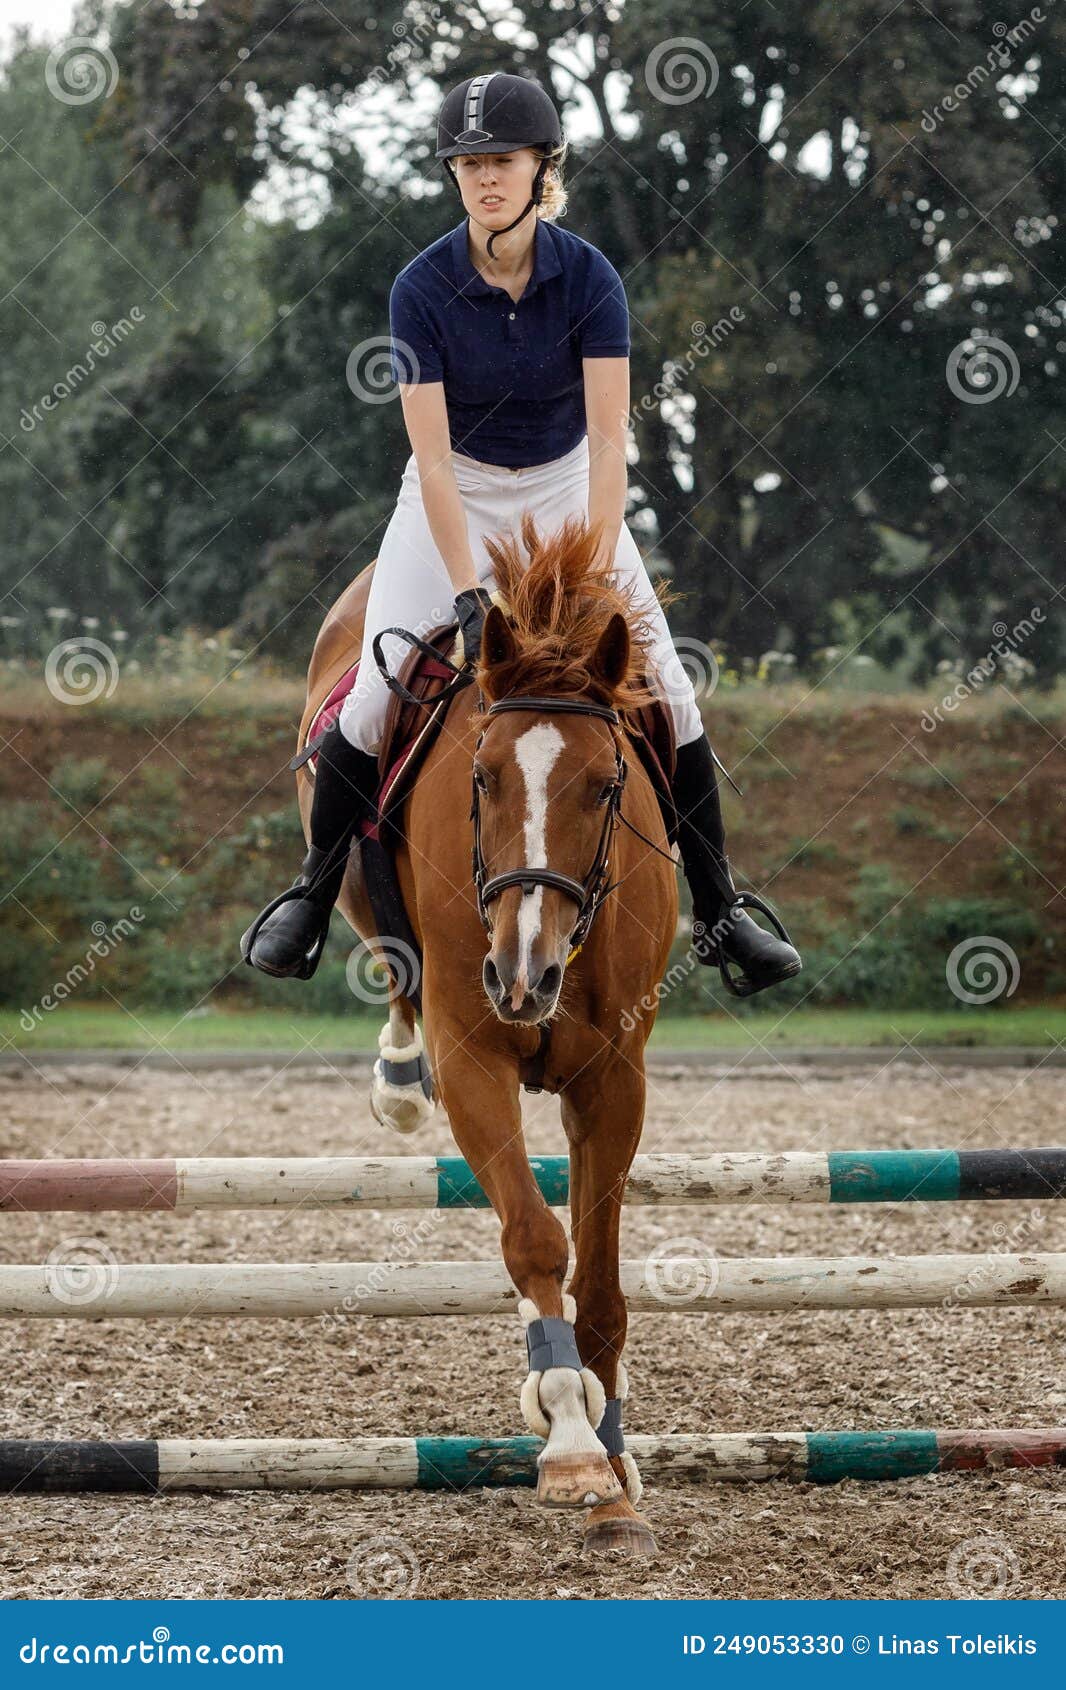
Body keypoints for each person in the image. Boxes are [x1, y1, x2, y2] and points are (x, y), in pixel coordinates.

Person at [242, 70, 801, 995]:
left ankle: (723, 909)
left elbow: (613, 440)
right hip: (449, 493)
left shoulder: (590, 278)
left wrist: (587, 577)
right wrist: (467, 595)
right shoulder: (420, 287)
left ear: (544, 169)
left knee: (673, 693)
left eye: (501, 161)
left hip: (568, 487)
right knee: (376, 694)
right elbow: (429, 460)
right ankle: (308, 893)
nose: (483, 179)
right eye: (467, 165)